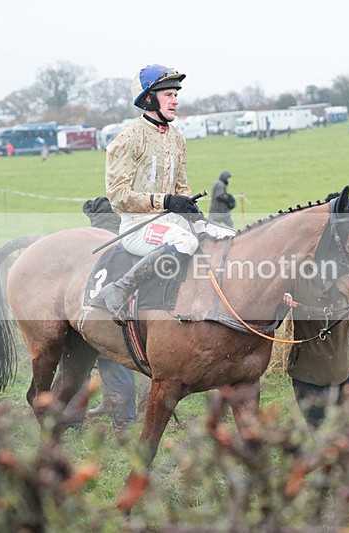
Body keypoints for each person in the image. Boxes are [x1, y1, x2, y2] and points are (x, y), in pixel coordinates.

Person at [101, 64, 234, 324]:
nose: (176, 101)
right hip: (137, 225)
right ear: (149, 98)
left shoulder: (177, 138)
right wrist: (167, 201)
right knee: (185, 242)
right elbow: (117, 195)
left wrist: (189, 208)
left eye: (176, 94)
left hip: (170, 220)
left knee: (228, 236)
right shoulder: (128, 138)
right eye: (169, 95)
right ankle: (120, 289)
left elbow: (181, 187)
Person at [82, 197, 150, 432]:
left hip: (103, 315)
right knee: (114, 367)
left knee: (98, 366)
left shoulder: (97, 243)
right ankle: (123, 416)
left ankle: (122, 419)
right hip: (118, 315)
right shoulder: (125, 239)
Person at [287, 276, 349, 432]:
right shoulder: (296, 276)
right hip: (309, 375)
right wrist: (281, 300)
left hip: (343, 373)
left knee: (348, 435)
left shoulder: (347, 275)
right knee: (321, 439)